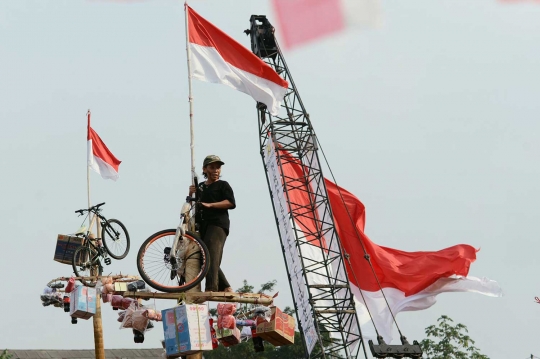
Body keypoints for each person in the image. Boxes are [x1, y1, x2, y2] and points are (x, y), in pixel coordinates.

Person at [189, 155, 236, 293]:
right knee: (205, 257)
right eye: (212, 167)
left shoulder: (223, 185)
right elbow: (194, 205)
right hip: (203, 225)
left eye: (218, 167)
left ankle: (211, 288)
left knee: (211, 253)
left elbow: (231, 202)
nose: (216, 170)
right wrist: (191, 193)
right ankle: (226, 286)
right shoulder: (201, 187)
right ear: (205, 169)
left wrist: (210, 205)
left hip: (218, 224)